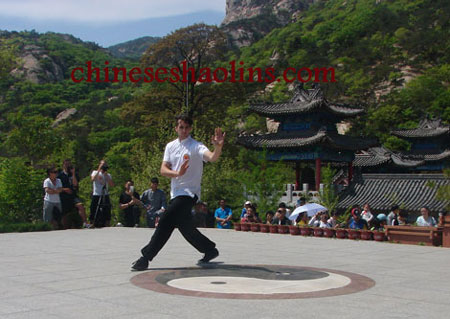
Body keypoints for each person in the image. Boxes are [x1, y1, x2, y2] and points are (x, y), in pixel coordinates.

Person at [131, 114, 224, 271]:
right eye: (181, 127)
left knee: (166, 220)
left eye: (187, 127)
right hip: (176, 193)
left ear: (191, 129)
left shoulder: (196, 146)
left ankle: (145, 257)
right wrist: (177, 173)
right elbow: (163, 170)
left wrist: (218, 147)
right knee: (184, 226)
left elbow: (212, 157)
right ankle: (209, 249)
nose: (184, 130)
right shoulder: (170, 146)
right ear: (176, 128)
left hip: (189, 194)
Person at [58, 159, 90, 228]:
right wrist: (64, 189)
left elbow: (75, 185)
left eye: (69, 164)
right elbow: (57, 187)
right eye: (66, 164)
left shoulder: (73, 175)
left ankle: (85, 222)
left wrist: (73, 174)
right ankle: (62, 226)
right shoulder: (60, 175)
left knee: (80, 205)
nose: (68, 166)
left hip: (73, 196)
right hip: (64, 196)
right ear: (63, 165)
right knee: (64, 214)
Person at [89, 160, 114, 227]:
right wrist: (99, 169)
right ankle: (92, 223)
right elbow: (92, 179)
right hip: (97, 194)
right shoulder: (95, 172)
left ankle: (107, 223)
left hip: (105, 194)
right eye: (102, 164)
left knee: (107, 209)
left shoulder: (108, 175)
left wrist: (107, 176)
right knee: (93, 208)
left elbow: (112, 185)